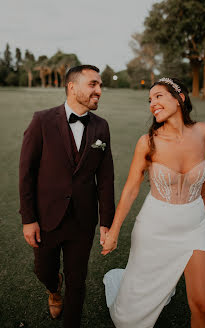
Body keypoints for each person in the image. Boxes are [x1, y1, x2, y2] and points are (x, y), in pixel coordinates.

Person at [102, 78, 205, 328]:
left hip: (195, 226)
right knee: (129, 318)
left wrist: (202, 197)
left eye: (159, 96)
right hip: (155, 228)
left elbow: (203, 168)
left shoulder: (203, 132)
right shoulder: (148, 142)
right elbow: (131, 189)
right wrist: (115, 231)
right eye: (150, 100)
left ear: (180, 98)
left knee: (204, 308)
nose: (152, 103)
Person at [19, 65, 115, 328]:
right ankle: (53, 287)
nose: (99, 91)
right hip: (46, 217)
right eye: (93, 84)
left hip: (83, 220)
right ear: (72, 87)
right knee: (44, 271)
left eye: (100, 85)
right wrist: (29, 219)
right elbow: (26, 173)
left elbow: (106, 178)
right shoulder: (42, 120)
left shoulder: (101, 127)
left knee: (78, 280)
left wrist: (107, 222)